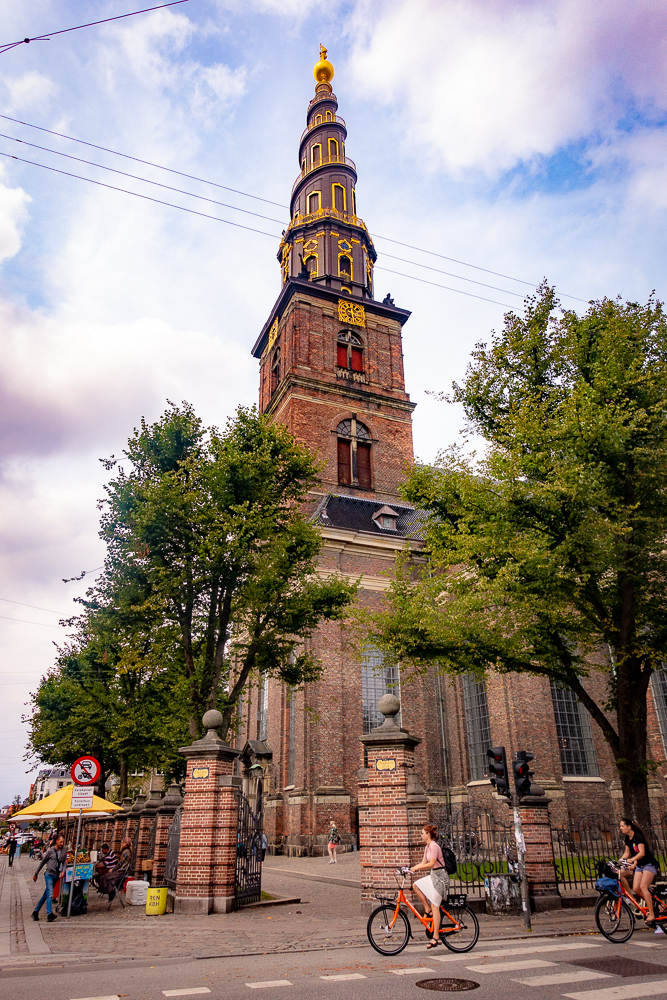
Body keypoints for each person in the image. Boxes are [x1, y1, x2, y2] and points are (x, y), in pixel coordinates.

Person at [411, 824, 450, 949]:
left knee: (435, 905)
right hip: (433, 876)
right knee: (415, 886)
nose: (421, 835)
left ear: (428, 834)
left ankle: (436, 937)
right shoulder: (427, 847)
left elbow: (431, 864)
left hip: (441, 879)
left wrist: (417, 868)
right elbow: (423, 862)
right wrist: (411, 868)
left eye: (422, 833)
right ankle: (427, 910)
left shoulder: (434, 846)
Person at [619, 817, 660, 928]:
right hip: (640, 865)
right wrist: (619, 861)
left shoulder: (638, 837)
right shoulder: (627, 838)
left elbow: (642, 853)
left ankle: (652, 914)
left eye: (622, 826)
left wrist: (632, 860)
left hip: (649, 864)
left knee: (643, 887)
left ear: (629, 827)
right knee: (636, 888)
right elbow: (627, 853)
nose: (621, 828)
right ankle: (653, 904)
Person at [31, 833, 66, 922]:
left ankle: (35, 912)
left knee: (46, 895)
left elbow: (64, 862)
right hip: (49, 874)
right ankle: (49, 914)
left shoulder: (64, 851)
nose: (62, 844)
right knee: (50, 894)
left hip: (56, 875)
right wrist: (36, 873)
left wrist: (63, 871)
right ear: (57, 841)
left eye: (63, 842)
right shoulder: (51, 851)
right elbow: (43, 862)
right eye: (61, 842)